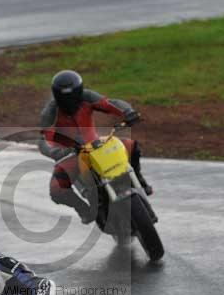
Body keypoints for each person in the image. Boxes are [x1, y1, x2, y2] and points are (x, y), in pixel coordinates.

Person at [39, 70, 152, 224]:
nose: (70, 102)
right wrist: (56, 151)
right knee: (56, 189)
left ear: (79, 91)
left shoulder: (87, 96)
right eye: (65, 98)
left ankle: (139, 179)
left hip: (96, 146)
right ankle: (83, 209)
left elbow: (110, 104)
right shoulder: (50, 111)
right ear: (57, 96)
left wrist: (128, 111)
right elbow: (43, 139)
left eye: (73, 96)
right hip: (71, 153)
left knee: (131, 146)